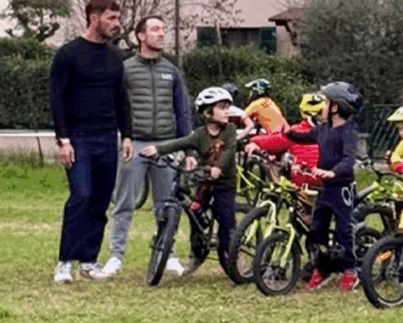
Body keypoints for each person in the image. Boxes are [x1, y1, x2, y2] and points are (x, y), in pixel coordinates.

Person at [102, 16, 194, 278]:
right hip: (136, 145)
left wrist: (186, 150)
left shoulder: (171, 71)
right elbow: (115, 107)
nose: (161, 34)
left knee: (166, 206)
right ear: (141, 36)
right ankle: (115, 257)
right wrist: (123, 137)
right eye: (155, 30)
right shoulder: (126, 69)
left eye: (163, 30)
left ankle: (170, 255)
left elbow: (182, 111)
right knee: (123, 203)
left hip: (166, 146)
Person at [51, 0, 133, 284]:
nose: (116, 23)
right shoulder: (68, 55)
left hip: (108, 137)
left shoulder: (114, 57)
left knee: (99, 200)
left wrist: (127, 135)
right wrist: (63, 140)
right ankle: (64, 263)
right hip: (78, 139)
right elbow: (57, 100)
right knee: (81, 196)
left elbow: (121, 99)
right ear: (93, 18)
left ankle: (88, 261)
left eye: (117, 18)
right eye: (111, 18)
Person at [140, 87, 238, 278]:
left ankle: (228, 257)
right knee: (194, 211)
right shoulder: (199, 135)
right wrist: (158, 149)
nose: (227, 111)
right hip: (204, 181)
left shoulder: (230, 131)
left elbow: (229, 151)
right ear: (208, 112)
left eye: (228, 107)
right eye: (222, 107)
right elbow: (180, 143)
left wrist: (219, 168)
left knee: (225, 219)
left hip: (225, 183)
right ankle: (197, 252)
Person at [284, 81, 364, 291]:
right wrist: (287, 131)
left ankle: (350, 271)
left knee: (343, 231)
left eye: (326, 102)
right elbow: (302, 138)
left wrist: (332, 172)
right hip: (325, 189)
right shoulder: (323, 129)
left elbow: (348, 160)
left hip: (342, 188)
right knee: (317, 230)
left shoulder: (348, 132)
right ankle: (323, 268)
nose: (322, 107)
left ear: (336, 107)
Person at [244, 93, 325, 187]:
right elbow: (275, 140)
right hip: (302, 188)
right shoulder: (297, 131)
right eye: (320, 113)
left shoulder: (333, 130)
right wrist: (255, 142)